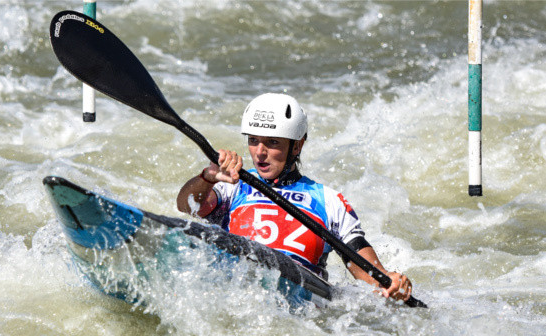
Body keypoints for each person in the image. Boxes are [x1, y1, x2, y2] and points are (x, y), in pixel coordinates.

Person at [176, 93, 412, 302]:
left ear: (297, 146)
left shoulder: (329, 201)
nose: (260, 152)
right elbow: (186, 206)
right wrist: (207, 177)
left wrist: (390, 282)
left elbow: (367, 270)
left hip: (300, 305)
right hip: (234, 294)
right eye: (253, 140)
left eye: (273, 142)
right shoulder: (233, 186)